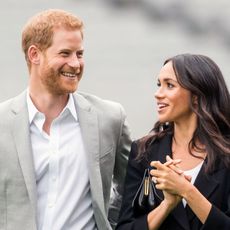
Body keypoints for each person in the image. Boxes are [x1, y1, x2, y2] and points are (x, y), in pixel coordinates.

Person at [0, 9, 131, 230]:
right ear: (34, 55)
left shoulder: (109, 118)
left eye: (79, 54)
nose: (76, 64)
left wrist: (110, 223)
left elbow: (132, 185)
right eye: (65, 53)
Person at [116, 53, 230, 230]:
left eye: (169, 85)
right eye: (158, 85)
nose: (158, 94)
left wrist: (187, 191)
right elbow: (125, 227)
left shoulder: (226, 154)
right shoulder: (143, 151)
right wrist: (167, 205)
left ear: (196, 96)